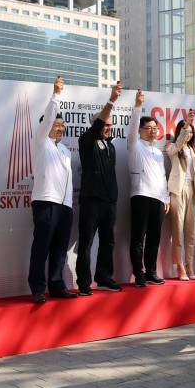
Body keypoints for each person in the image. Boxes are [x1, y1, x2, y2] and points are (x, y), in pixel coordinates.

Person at [28, 76, 77, 304]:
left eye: (62, 126)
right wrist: (56, 94)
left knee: (59, 249)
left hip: (64, 206)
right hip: (45, 202)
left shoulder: (65, 151)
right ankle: (38, 288)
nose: (60, 128)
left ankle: (57, 286)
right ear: (45, 127)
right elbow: (48, 118)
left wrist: (68, 205)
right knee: (42, 246)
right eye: (56, 125)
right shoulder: (41, 143)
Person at [76, 82, 122, 296]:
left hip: (109, 202)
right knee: (86, 242)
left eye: (111, 126)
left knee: (108, 241)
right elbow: (96, 128)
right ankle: (84, 283)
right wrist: (112, 100)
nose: (108, 128)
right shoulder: (86, 140)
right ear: (96, 124)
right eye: (105, 125)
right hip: (91, 201)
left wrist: (113, 199)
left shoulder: (111, 146)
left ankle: (104, 277)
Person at [128, 89, 170, 287]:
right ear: (140, 130)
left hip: (158, 199)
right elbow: (134, 124)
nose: (153, 130)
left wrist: (166, 199)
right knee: (138, 238)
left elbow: (162, 177)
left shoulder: (157, 152)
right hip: (141, 196)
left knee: (154, 238)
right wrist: (138, 106)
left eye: (155, 127)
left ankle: (152, 271)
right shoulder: (135, 145)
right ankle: (139, 274)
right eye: (149, 128)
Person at [166, 110, 195, 280]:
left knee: (191, 232)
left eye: (190, 131)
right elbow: (179, 143)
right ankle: (180, 267)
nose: (188, 134)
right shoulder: (172, 147)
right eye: (185, 131)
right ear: (180, 132)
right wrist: (187, 124)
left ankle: (190, 266)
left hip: (192, 191)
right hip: (177, 190)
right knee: (178, 230)